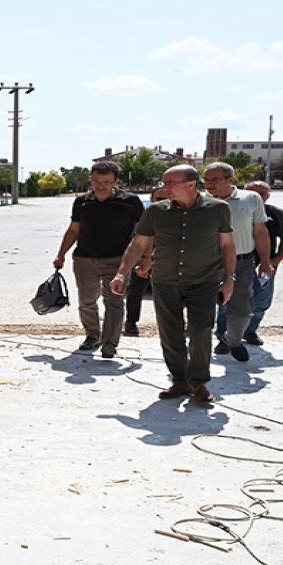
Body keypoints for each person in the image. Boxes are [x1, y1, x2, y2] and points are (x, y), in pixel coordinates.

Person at [111, 165, 235, 406]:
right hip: (166, 280)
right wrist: (121, 274)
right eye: (163, 183)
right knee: (170, 333)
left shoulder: (218, 209)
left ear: (190, 184)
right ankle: (180, 380)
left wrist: (229, 279)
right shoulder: (156, 212)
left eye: (170, 183)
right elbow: (138, 244)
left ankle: (198, 382)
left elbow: (227, 245)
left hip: (204, 281)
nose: (163, 187)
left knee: (200, 331)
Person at [53, 160, 144, 358]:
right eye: (96, 181)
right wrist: (61, 254)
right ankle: (92, 336)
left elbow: (143, 233)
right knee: (86, 301)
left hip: (117, 260)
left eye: (106, 181)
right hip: (85, 260)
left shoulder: (130, 201)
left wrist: (145, 258)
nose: (100, 186)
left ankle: (110, 342)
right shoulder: (82, 202)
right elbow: (74, 230)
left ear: (116, 182)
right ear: (91, 180)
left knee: (114, 302)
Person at [204, 163, 273, 363]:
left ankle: (233, 340)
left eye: (215, 179)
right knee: (202, 308)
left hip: (242, 262)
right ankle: (201, 347)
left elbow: (260, 232)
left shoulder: (250, 198)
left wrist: (266, 263)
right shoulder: (199, 200)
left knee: (242, 310)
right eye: (206, 180)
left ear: (230, 180)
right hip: (207, 262)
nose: (209, 184)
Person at [235, 181, 283, 345]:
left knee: (261, 301)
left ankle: (250, 331)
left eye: (261, 194)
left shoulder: (275, 213)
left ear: (267, 196)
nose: (256, 198)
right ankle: (225, 335)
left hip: (265, 264)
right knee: (231, 300)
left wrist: (277, 259)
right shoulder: (233, 210)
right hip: (238, 262)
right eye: (251, 193)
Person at [123, 185, 170, 337]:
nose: (163, 202)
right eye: (159, 199)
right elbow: (136, 240)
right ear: (152, 199)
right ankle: (131, 323)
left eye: (166, 198)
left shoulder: (180, 216)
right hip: (144, 259)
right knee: (136, 291)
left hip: (169, 261)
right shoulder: (144, 217)